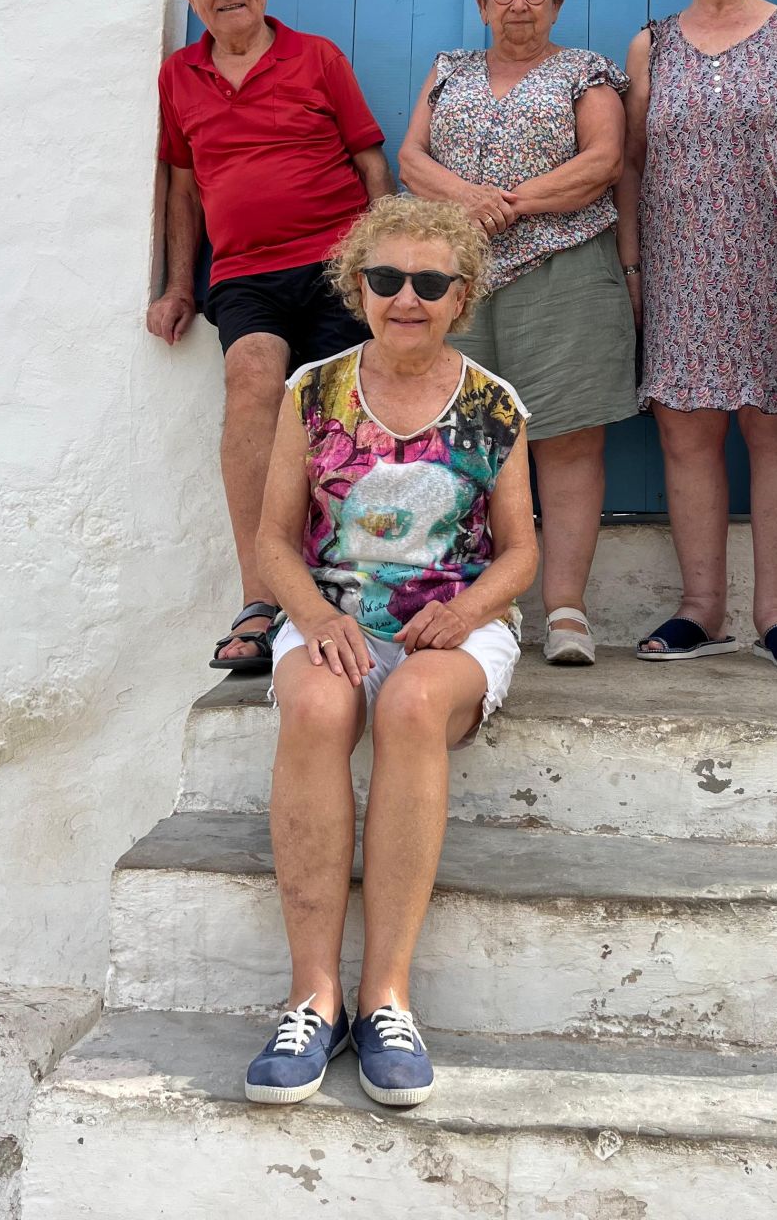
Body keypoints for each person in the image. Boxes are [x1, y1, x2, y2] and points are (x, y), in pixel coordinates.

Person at [243, 194, 538, 1107]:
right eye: (384, 279)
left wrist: (464, 612)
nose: (405, 298)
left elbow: (523, 551)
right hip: (334, 613)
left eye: (429, 282)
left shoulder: (494, 407)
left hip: (455, 620)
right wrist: (317, 619)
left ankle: (386, 999)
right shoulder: (314, 392)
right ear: (357, 286)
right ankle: (312, 999)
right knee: (322, 703)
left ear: (462, 296)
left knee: (409, 705)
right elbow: (273, 540)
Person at [147, 0, 393, 673]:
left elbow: (368, 160)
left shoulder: (317, 57)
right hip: (246, 274)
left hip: (333, 263)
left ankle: (359, 588)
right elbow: (183, 184)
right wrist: (179, 284)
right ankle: (262, 600)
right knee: (252, 380)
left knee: (340, 412)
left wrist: (379, 265)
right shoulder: (178, 76)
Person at [617, 0, 777, 665]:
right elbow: (632, 162)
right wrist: (634, 266)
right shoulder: (655, 44)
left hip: (775, 262)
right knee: (686, 432)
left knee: (775, 431)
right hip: (681, 266)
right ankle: (701, 608)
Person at [398, 0, 636, 666]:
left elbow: (603, 160)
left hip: (562, 270)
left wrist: (510, 204)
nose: (519, 4)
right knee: (459, 443)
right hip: (456, 285)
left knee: (567, 442)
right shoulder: (449, 70)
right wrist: (469, 199)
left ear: (557, 2)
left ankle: (565, 611)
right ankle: (470, 606)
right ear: (482, 3)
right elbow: (411, 158)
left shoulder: (584, 71)